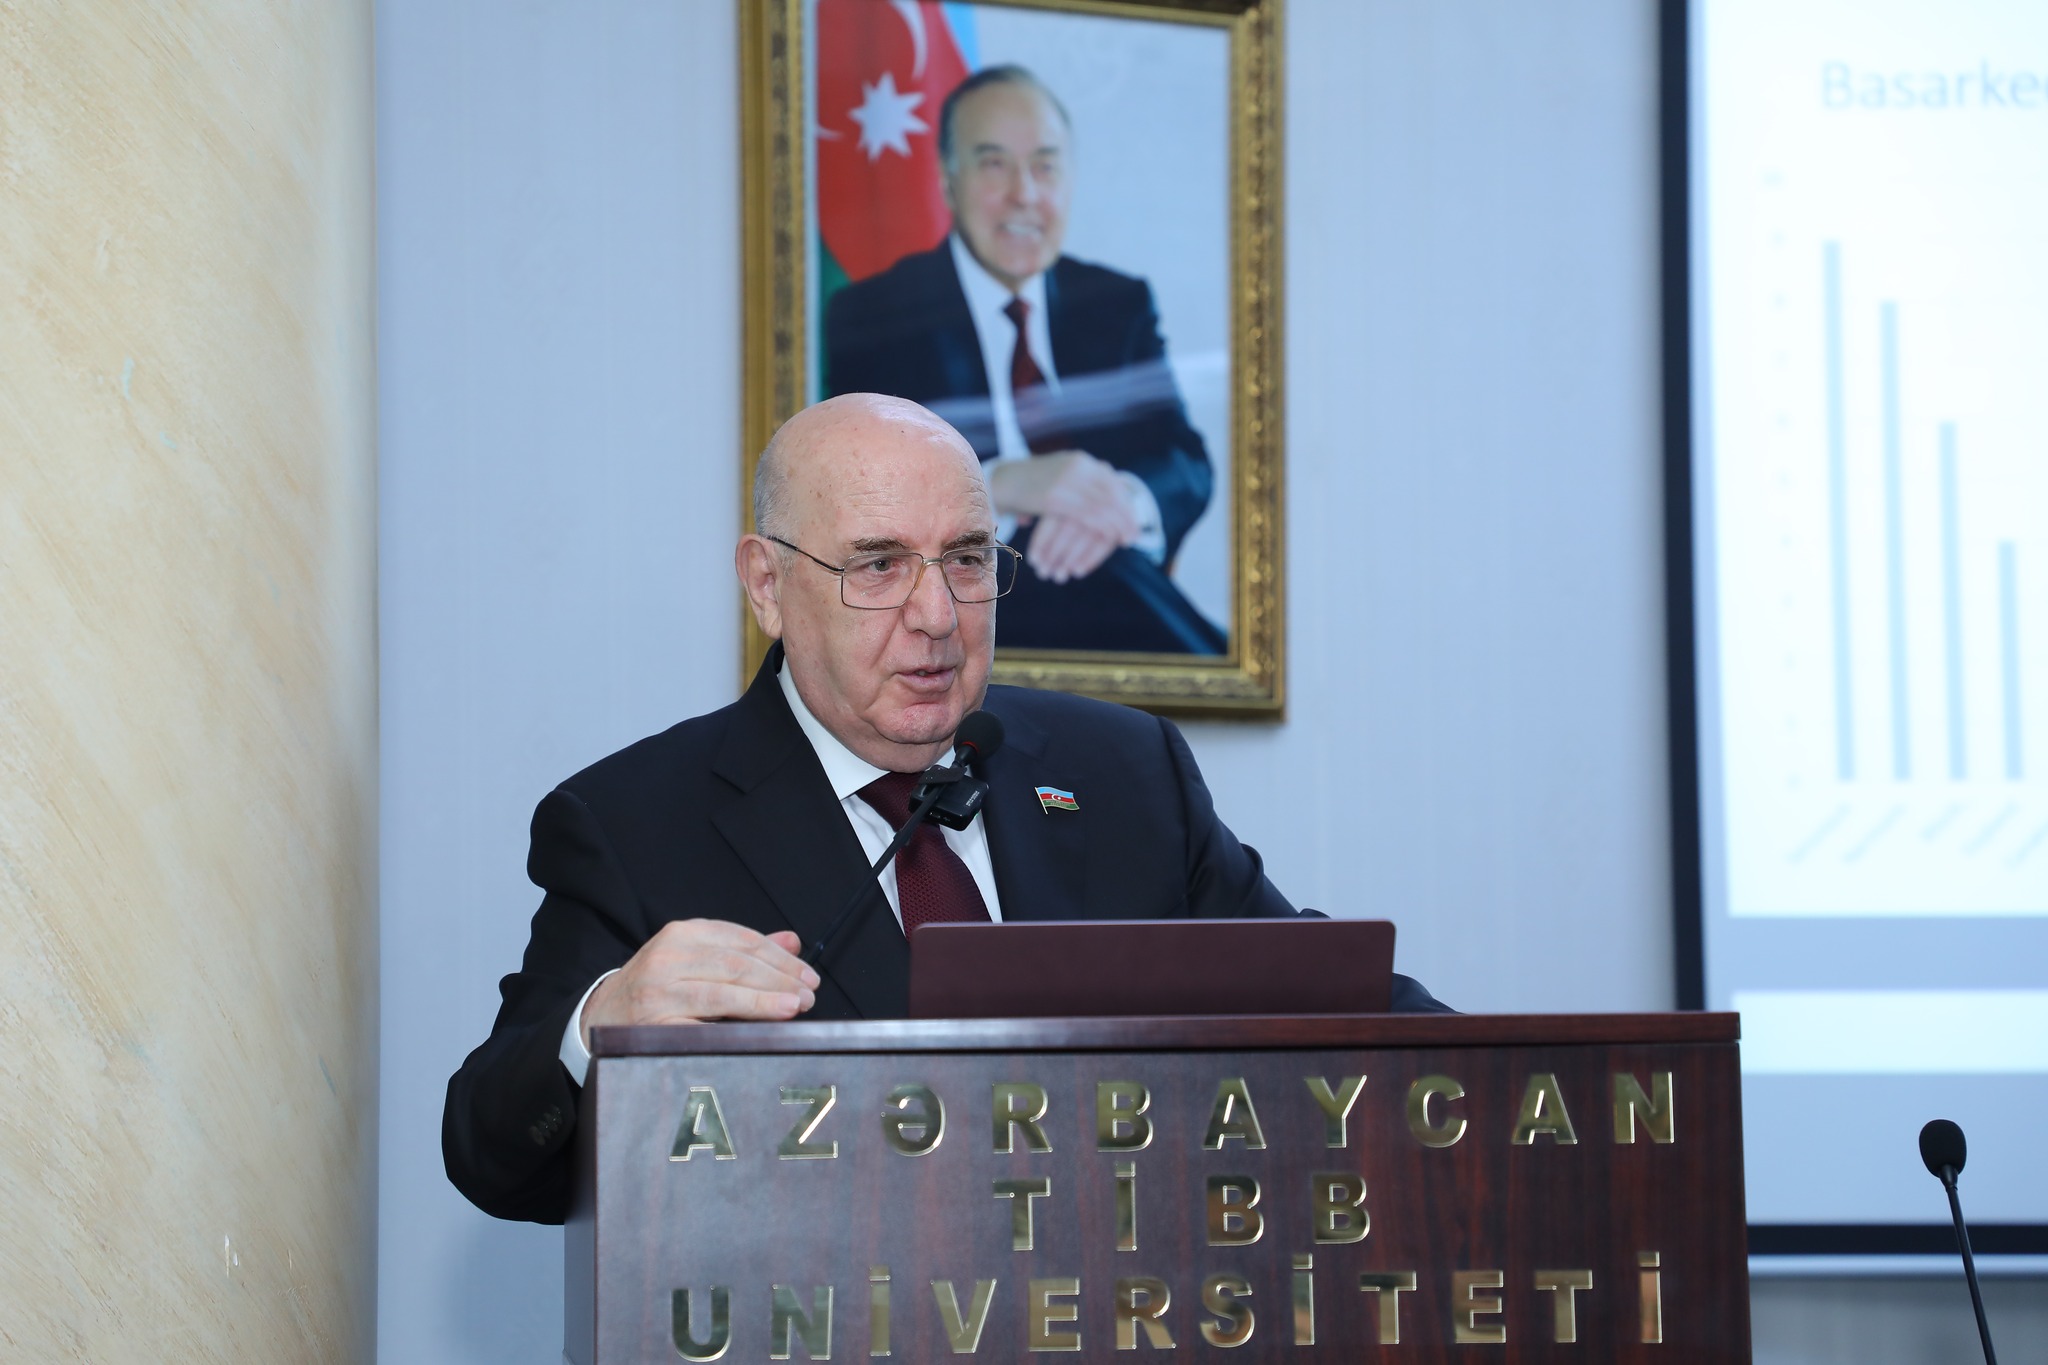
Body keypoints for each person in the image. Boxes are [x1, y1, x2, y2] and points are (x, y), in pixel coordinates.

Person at [442, 394, 1447, 1224]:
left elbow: (1316, 998)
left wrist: (1495, 1078)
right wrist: (597, 1027)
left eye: (966, 558)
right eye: (878, 564)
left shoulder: (1122, 772)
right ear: (767, 585)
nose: (936, 616)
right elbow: (494, 1156)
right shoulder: (632, 822)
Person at [824, 65, 1225, 655]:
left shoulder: (1116, 304)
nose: (1025, 194)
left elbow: (1184, 462)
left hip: (1109, 596)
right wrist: (1000, 486)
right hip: (952, 615)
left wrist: (1112, 504)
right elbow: (853, 493)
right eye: (994, 165)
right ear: (947, 180)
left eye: (1045, 166)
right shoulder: (877, 315)